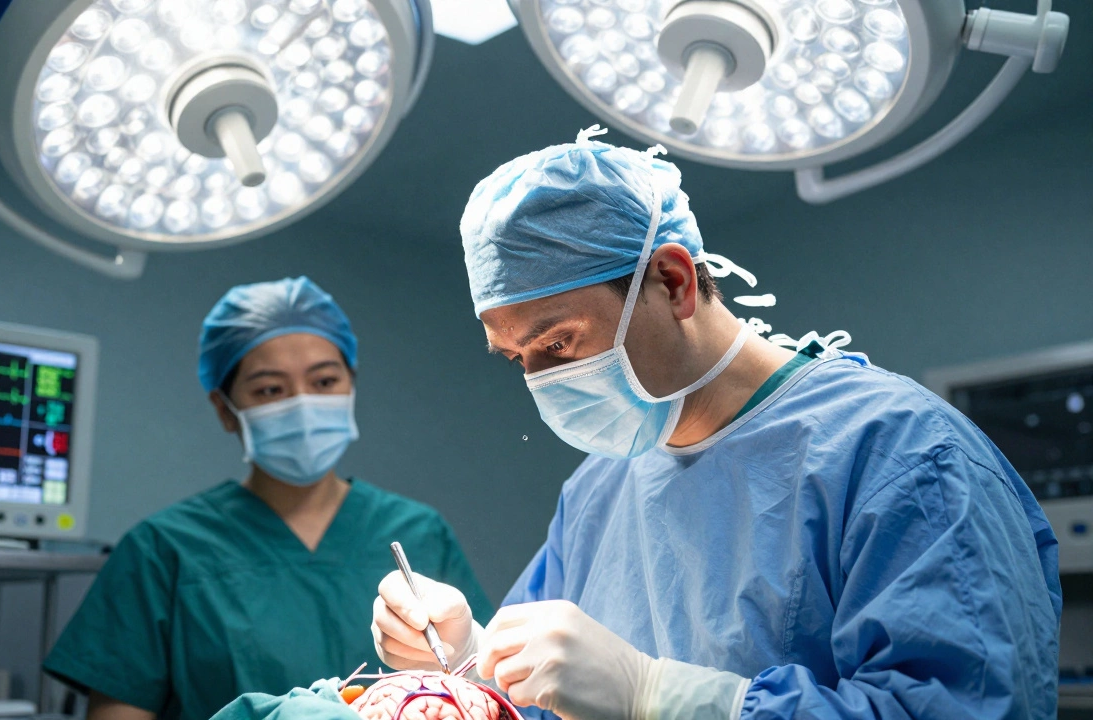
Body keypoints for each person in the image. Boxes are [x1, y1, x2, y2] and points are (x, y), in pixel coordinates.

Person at [372, 130, 1061, 720]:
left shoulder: (904, 453)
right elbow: (559, 691)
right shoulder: (599, 489)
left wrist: (664, 696)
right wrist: (473, 660)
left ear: (672, 282)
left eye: (558, 345)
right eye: (516, 359)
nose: (541, 382)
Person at [45, 277, 494, 720]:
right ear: (225, 409)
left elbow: (482, 691)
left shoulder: (419, 533)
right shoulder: (162, 551)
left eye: (323, 381)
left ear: (350, 387)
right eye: (270, 390)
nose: (303, 403)